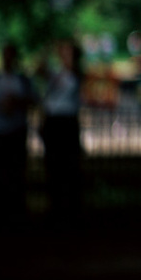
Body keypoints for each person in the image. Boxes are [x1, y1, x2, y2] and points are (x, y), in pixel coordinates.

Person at [0, 42, 37, 225]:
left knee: (15, 175)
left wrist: (16, 103)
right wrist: (2, 106)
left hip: (15, 132)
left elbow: (34, 100)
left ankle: (13, 215)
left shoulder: (23, 80)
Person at [36, 38, 84, 225]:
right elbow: (39, 69)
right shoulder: (58, 74)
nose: (63, 55)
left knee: (69, 168)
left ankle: (70, 211)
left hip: (66, 123)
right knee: (53, 167)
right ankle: (56, 210)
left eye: (67, 52)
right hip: (53, 122)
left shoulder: (73, 74)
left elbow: (61, 75)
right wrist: (47, 50)